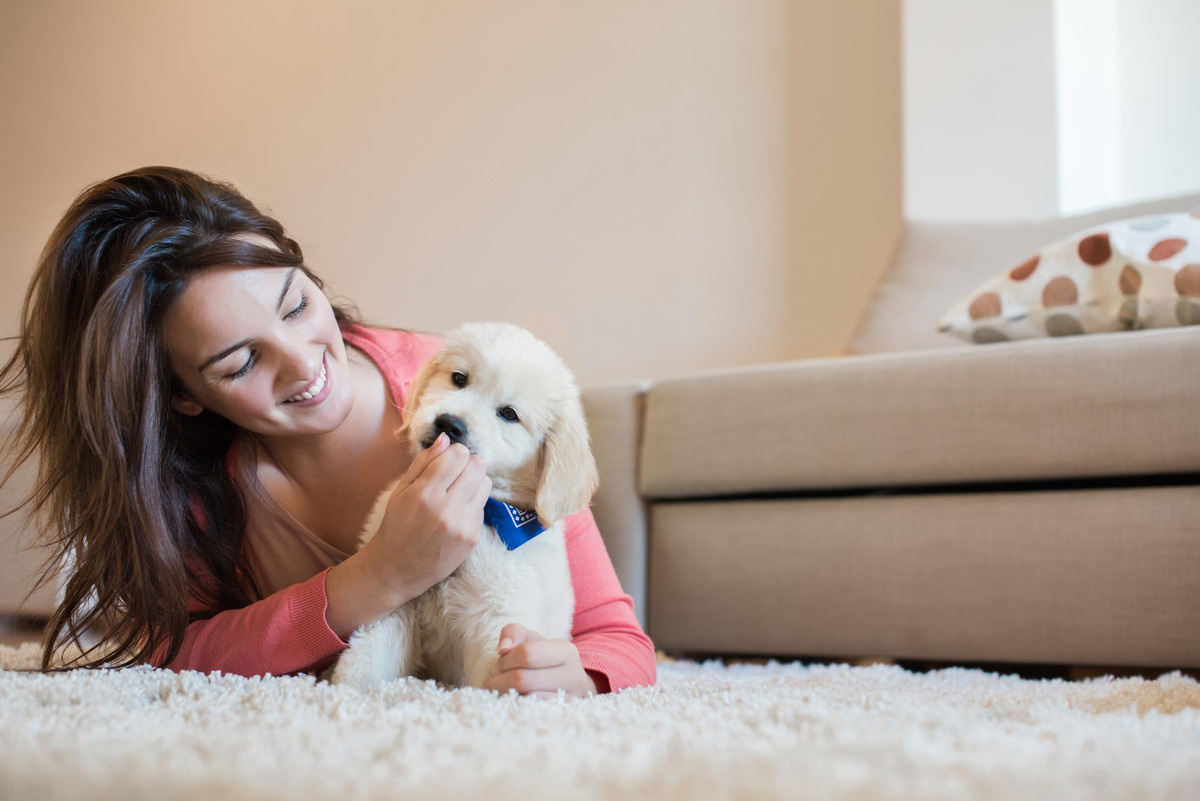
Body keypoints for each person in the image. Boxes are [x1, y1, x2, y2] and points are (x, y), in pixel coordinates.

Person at [0, 166, 656, 697]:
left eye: (295, 304)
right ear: (181, 395)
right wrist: (373, 579)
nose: (303, 361)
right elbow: (176, 648)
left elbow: (615, 639)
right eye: (240, 361)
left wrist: (576, 673)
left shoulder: (462, 387)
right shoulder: (195, 486)